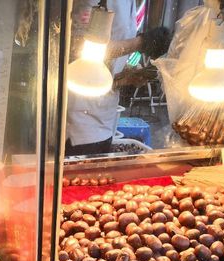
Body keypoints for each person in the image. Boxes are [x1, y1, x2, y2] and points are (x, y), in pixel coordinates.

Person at [65, 0, 170, 156]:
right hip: (80, 122)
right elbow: (80, 47)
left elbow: (105, 65)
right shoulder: (94, 3)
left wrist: (126, 76)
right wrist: (142, 43)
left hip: (106, 118)